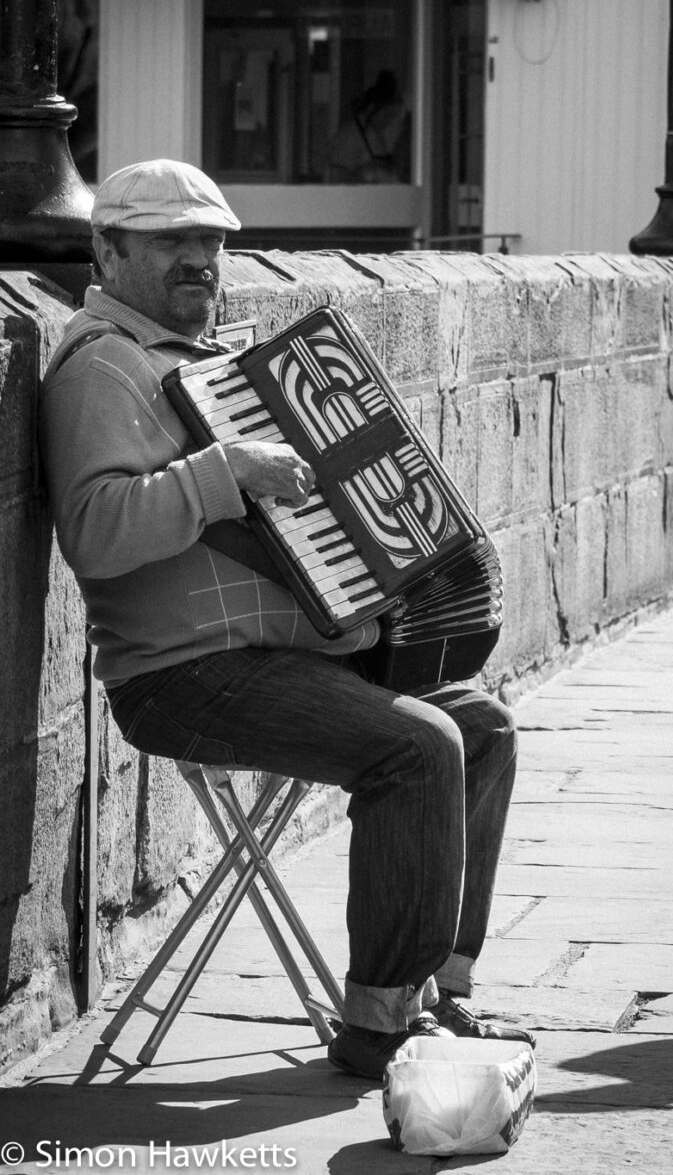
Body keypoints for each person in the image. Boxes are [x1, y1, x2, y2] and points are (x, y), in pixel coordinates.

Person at [39, 158, 533, 1081]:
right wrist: (222, 473)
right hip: (179, 676)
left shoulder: (212, 360)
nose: (199, 260)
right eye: (170, 242)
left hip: (273, 659)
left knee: (483, 726)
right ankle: (382, 1027)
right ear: (106, 248)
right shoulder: (100, 365)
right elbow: (95, 534)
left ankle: (438, 988)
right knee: (418, 745)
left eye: (212, 243)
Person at [326, 69, 411, 183]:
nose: (388, 121)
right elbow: (337, 177)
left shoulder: (379, 134)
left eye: (392, 117)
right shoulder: (349, 136)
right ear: (371, 108)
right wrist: (366, 173)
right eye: (386, 115)